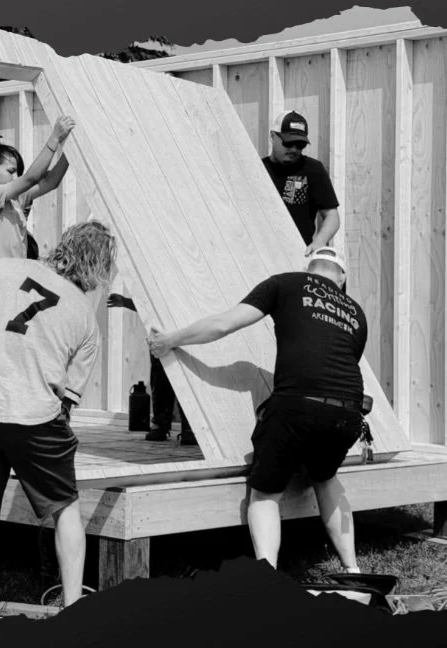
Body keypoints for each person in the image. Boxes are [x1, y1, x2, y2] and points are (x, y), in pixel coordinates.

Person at [0, 220, 117, 632]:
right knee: (66, 508)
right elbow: (68, 399)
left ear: (63, 245)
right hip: (34, 416)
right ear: (98, 268)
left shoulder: (1, 267)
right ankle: (73, 615)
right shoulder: (86, 320)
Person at [148, 247, 365, 573]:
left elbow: (222, 325)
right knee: (327, 480)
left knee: (265, 494)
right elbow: (339, 366)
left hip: (297, 406)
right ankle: (353, 568)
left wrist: (169, 341)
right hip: (348, 413)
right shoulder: (355, 312)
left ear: (309, 270)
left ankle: (267, 577)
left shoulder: (286, 283)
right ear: (342, 279)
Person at [0, 116, 75, 266]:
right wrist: (55, 138)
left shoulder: (17, 200)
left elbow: (51, 182)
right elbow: (31, 178)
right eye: (11, 171)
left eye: (18, 173)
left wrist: (70, 152)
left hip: (15, 274)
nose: (16, 178)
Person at [106, 293, 194, 443]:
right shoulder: (161, 288)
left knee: (186, 383)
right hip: (160, 339)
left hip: (185, 337)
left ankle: (190, 428)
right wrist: (125, 302)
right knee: (160, 383)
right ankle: (160, 426)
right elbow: (148, 305)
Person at [262, 110, 340, 256]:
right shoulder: (258, 170)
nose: (294, 149)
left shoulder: (313, 169)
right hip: (260, 254)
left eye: (300, 145)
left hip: (298, 255)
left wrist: (319, 242)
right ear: (272, 136)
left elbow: (332, 215)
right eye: (288, 143)